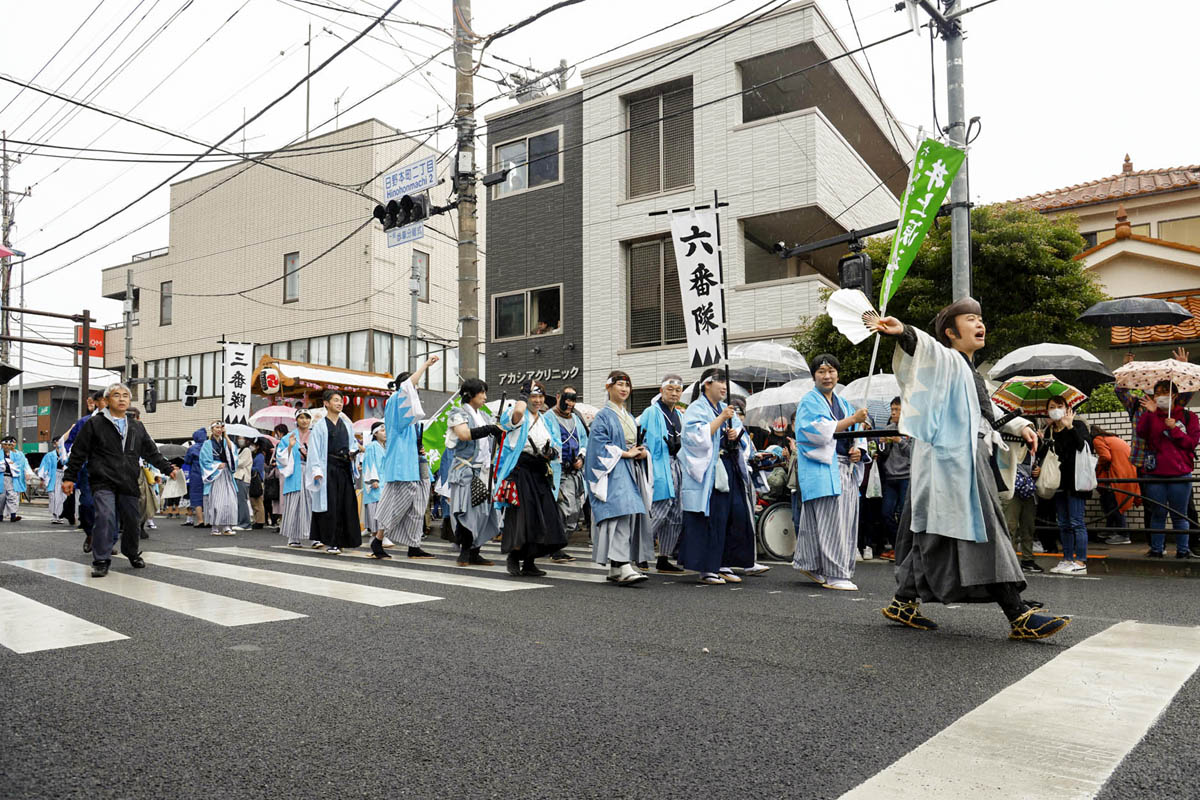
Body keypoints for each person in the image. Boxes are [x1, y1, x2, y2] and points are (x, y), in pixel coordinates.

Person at [868, 299, 1070, 640]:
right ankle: (1016, 613)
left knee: (929, 534)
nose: (980, 324)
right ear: (951, 332)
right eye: (971, 318)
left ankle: (904, 601)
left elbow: (989, 406)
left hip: (954, 460)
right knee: (986, 528)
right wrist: (904, 332)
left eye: (981, 318)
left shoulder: (967, 370)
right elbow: (924, 348)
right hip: (951, 460)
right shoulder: (946, 360)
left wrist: (1021, 426)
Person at [61, 383, 178, 578]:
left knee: (132, 521)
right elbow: (79, 452)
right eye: (117, 395)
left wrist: (168, 468)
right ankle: (101, 559)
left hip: (128, 480)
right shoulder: (95, 424)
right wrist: (69, 478)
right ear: (107, 401)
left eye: (125, 395)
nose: (122, 399)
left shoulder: (136, 426)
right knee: (105, 516)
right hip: (102, 480)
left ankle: (131, 552)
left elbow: (150, 451)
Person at [677, 368, 762, 586]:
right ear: (707, 384)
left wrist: (736, 435)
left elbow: (741, 438)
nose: (724, 387)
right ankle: (708, 567)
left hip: (729, 465)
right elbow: (694, 438)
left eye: (726, 383)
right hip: (710, 470)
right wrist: (720, 420)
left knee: (734, 514)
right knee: (713, 516)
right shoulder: (697, 408)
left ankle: (724, 563)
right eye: (720, 382)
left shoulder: (725, 408)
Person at [792, 354, 869, 590]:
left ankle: (811, 564)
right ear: (814, 376)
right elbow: (813, 432)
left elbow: (857, 433)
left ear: (837, 373)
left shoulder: (843, 403)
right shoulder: (809, 402)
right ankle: (835, 574)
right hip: (823, 466)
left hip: (845, 466)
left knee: (834, 522)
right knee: (830, 522)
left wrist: (859, 449)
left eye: (831, 371)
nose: (827, 376)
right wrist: (852, 420)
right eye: (821, 372)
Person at [585, 371, 653, 585]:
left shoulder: (629, 416)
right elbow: (597, 446)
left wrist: (642, 452)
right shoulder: (603, 416)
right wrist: (626, 453)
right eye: (619, 384)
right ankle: (623, 564)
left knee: (628, 514)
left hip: (629, 468)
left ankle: (617, 567)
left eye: (627, 385)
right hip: (613, 470)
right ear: (609, 388)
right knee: (620, 513)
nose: (624, 389)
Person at [497, 380, 568, 577]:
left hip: (539, 471)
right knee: (522, 517)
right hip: (521, 470)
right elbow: (517, 415)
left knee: (544, 515)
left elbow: (556, 445)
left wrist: (550, 452)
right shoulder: (516, 414)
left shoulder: (545, 420)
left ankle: (530, 561)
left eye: (540, 396)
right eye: (533, 396)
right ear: (525, 398)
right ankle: (514, 556)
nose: (537, 400)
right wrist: (523, 394)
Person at [376, 354, 440, 560]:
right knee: (397, 504)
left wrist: (420, 450)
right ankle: (378, 540)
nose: (416, 389)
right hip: (401, 466)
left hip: (415, 463)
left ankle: (414, 545)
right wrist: (425, 365)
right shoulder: (394, 402)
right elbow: (407, 386)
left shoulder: (412, 418)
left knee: (418, 504)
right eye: (415, 385)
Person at [1136, 380, 1200, 559]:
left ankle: (1183, 550)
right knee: (1157, 514)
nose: (1160, 396)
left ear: (1175, 395)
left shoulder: (1188, 417)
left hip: (1180, 474)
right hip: (1155, 472)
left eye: (1165, 392)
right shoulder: (1151, 414)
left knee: (1180, 515)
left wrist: (1175, 429)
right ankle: (1157, 550)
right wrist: (1150, 414)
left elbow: (1191, 443)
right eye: (1157, 393)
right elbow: (1141, 433)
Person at [444, 377, 503, 566]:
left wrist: (498, 432)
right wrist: (488, 429)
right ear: (470, 395)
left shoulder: (484, 416)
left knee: (483, 512)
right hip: (465, 471)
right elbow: (463, 434)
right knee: (466, 511)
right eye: (482, 393)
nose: (485, 397)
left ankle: (476, 550)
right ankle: (464, 550)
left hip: (483, 471)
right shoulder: (457, 413)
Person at [637, 374, 687, 574]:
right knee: (659, 509)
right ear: (661, 390)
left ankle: (664, 557)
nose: (674, 393)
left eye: (678, 390)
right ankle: (640, 552)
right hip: (659, 464)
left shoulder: (681, 415)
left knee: (676, 513)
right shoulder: (651, 412)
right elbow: (646, 440)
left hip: (677, 464)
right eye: (670, 389)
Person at [1039, 397, 1093, 575]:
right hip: (1058, 482)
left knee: (1077, 522)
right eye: (1051, 407)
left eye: (1059, 406)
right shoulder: (1050, 430)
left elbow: (1083, 446)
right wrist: (1040, 440)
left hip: (1076, 481)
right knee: (1063, 523)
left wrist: (1069, 426)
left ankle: (1081, 561)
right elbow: (1047, 457)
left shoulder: (1077, 425)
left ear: (1067, 408)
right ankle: (1067, 558)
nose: (1055, 410)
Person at [308, 390, 362, 554]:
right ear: (326, 403)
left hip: (344, 467)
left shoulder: (347, 425)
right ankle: (331, 541)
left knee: (345, 504)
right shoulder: (319, 426)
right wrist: (316, 470)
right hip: (328, 468)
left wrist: (354, 453)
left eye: (341, 401)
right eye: (336, 400)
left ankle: (344, 539)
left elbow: (353, 444)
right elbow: (314, 450)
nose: (339, 403)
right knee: (331, 505)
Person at [551, 386, 588, 563]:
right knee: (563, 510)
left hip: (575, 474)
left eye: (573, 399)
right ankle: (555, 547)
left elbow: (584, 441)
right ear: (558, 397)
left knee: (575, 510)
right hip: (558, 473)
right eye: (567, 398)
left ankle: (558, 544)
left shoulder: (576, 419)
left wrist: (581, 457)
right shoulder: (548, 418)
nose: (569, 403)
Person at [66, 390, 105, 551]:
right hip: (88, 471)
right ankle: (90, 533)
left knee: (110, 509)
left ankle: (106, 541)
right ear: (95, 402)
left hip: (112, 473)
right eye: (104, 399)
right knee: (88, 504)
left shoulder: (121, 422)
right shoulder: (84, 422)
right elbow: (69, 444)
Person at [874, 397, 911, 562]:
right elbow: (883, 453)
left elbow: (913, 452)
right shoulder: (889, 428)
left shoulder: (912, 428)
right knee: (886, 513)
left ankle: (904, 549)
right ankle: (897, 546)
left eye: (897, 410)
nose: (894, 413)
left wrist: (899, 440)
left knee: (904, 514)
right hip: (890, 476)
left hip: (906, 476)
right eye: (892, 410)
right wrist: (883, 443)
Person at [276, 409, 316, 548]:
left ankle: (315, 536)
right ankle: (293, 537)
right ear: (296, 420)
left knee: (313, 504)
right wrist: (290, 448)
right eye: (301, 418)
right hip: (295, 473)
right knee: (294, 504)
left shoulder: (316, 435)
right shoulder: (288, 437)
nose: (304, 421)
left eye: (307, 418)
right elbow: (279, 457)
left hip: (311, 473)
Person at [1091, 424, 1136, 545]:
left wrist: (1095, 466)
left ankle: (1123, 535)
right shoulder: (1111, 438)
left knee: (1114, 505)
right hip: (1127, 473)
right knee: (1110, 502)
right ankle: (1110, 530)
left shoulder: (1097, 439)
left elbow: (1106, 457)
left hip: (1117, 475)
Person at [1001, 445, 1042, 574]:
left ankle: (1027, 560)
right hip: (1011, 489)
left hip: (1029, 490)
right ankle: (1009, 561)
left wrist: (1038, 469)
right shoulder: (1009, 442)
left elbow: (1037, 462)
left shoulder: (1034, 446)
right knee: (1010, 527)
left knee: (1028, 527)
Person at [200, 421, 239, 536]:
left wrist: (226, 436)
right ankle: (215, 526)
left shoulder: (226, 442)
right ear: (212, 430)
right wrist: (216, 465)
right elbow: (204, 461)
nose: (218, 429)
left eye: (220, 427)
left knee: (229, 501)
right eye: (216, 427)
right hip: (215, 474)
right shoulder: (207, 444)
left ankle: (227, 526)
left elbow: (233, 452)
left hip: (226, 474)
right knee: (216, 501)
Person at [0, 436, 37, 521]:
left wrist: (27, 473)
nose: (7, 446)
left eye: (9, 445)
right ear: (2, 445)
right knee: (1, 497)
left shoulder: (17, 455)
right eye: (5, 444)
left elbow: (22, 465)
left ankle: (13, 515)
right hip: (1, 478)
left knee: (12, 496)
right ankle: (0, 515)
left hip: (12, 478)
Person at [182, 427, 208, 528]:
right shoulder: (209, 446)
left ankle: (200, 521)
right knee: (208, 497)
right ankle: (209, 521)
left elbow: (187, 461)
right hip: (208, 475)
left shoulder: (192, 448)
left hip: (196, 475)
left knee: (196, 498)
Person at [38, 438, 68, 524]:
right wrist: (42, 478)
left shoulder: (66, 454)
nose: (57, 443)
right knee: (53, 496)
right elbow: (44, 467)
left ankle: (59, 514)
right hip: (53, 476)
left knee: (62, 496)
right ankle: (55, 515)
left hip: (64, 476)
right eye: (55, 442)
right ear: (54, 444)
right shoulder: (49, 455)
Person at [233, 435, 254, 531]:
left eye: (242, 438)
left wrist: (232, 459)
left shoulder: (247, 450)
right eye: (239, 438)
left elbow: (240, 463)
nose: (240, 440)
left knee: (242, 501)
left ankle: (245, 523)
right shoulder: (238, 450)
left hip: (243, 478)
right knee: (239, 501)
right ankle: (240, 521)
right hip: (238, 477)